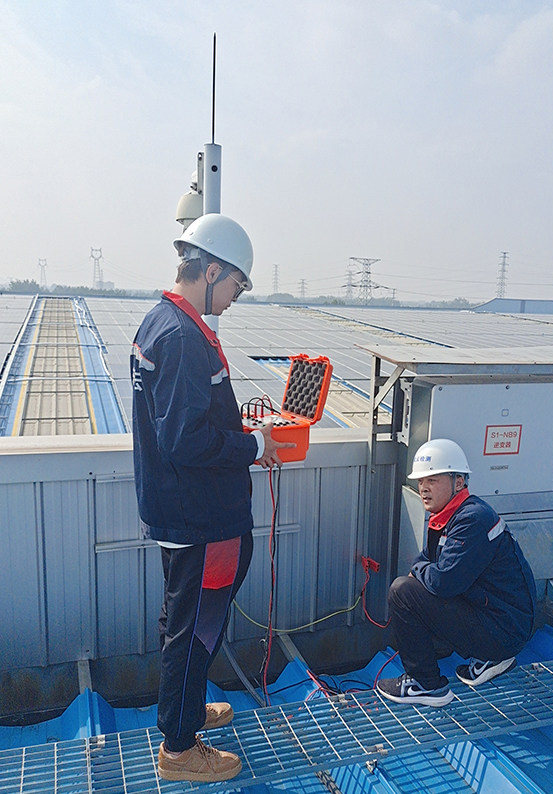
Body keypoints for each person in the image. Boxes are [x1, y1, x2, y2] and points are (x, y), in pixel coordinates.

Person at [130, 213, 293, 783]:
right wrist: (252, 443)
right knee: (195, 625)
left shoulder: (164, 322)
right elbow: (184, 439)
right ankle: (179, 749)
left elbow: (183, 421)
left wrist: (238, 424)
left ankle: (186, 711)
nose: (235, 298)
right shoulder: (180, 337)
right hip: (202, 518)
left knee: (184, 618)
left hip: (185, 510)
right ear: (212, 270)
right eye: (236, 285)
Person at [376, 438, 536, 707]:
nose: (424, 488)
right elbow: (428, 560)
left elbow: (443, 582)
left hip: (505, 630)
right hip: (503, 622)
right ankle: (489, 658)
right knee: (416, 587)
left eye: (433, 480)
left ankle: (425, 684)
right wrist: (424, 570)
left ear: (459, 482)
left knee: (403, 592)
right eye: (421, 481)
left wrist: (421, 571)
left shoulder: (472, 519)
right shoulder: (449, 514)